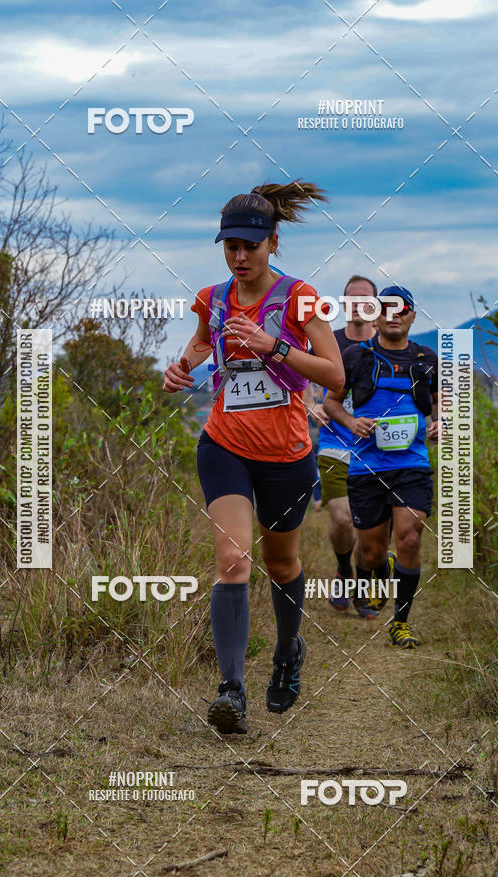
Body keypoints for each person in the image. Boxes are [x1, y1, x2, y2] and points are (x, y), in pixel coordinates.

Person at [163, 181, 343, 734]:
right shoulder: (213, 299)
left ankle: (288, 651)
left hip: (287, 455)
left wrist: (276, 347)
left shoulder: (300, 298)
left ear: (273, 243)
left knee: (281, 564)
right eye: (231, 247)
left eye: (250, 246)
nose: (240, 257)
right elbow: (203, 342)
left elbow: (335, 375)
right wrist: (182, 367)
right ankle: (231, 691)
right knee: (233, 561)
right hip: (225, 446)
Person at [323, 285, 439, 648]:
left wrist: (441, 422)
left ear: (412, 316)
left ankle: (400, 622)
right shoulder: (357, 356)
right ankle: (379, 569)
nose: (393, 315)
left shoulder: (426, 358)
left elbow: (441, 401)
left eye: (401, 309)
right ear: (376, 315)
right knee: (372, 553)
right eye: (385, 309)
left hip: (411, 464)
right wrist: (350, 421)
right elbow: (331, 403)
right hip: (367, 466)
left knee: (410, 536)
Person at [304, 275, 379, 616]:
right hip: (335, 440)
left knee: (371, 527)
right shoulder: (328, 341)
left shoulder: (387, 343)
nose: (358, 305)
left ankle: (362, 582)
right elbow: (300, 378)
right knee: (342, 518)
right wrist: (311, 405)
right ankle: (343, 569)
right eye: (351, 299)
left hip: (378, 449)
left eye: (366, 299)